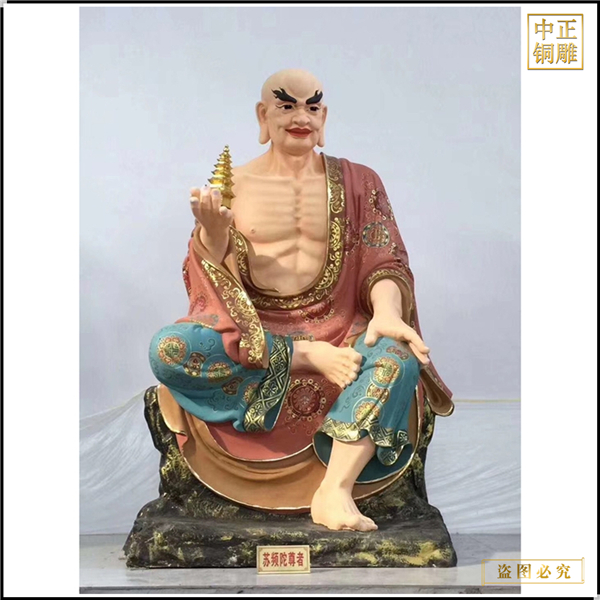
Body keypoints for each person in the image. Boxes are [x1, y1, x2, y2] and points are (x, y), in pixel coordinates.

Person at [149, 69, 454, 532]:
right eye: (286, 105)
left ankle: (335, 489)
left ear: (323, 116)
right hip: (259, 337)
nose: (300, 117)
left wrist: (388, 313)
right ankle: (302, 355)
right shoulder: (236, 187)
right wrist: (211, 236)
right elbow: (212, 287)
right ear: (263, 115)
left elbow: (383, 258)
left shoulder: (359, 182)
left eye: (312, 107)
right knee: (169, 349)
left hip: (343, 328)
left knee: (398, 354)